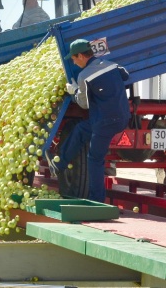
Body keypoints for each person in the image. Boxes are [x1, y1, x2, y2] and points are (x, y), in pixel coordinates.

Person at [56, 39, 131, 203]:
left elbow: (83, 103)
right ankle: (60, 163)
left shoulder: (84, 76)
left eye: (74, 58)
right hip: (122, 117)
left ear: (81, 56)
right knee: (81, 130)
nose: (74, 63)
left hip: (105, 122)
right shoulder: (113, 65)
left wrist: (74, 90)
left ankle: (96, 200)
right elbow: (126, 75)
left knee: (95, 159)